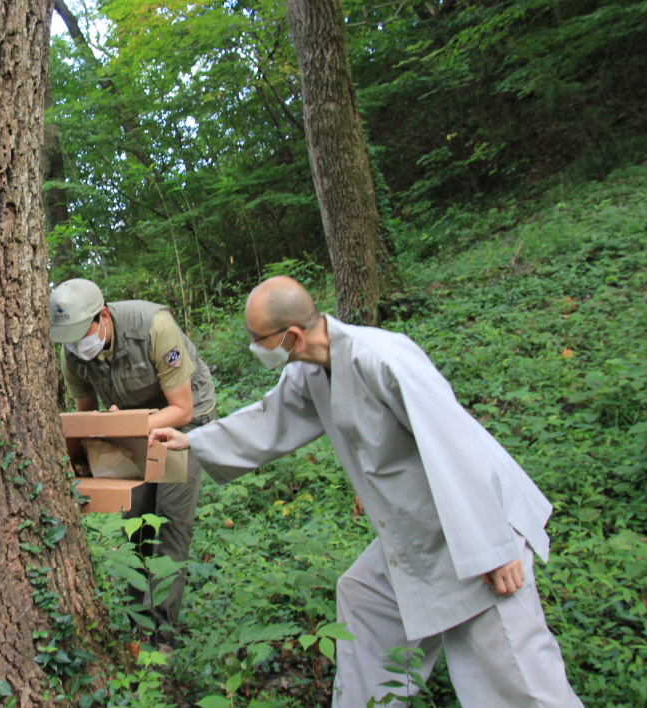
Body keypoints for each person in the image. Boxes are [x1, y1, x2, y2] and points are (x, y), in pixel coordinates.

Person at [149, 276, 582, 707]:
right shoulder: (309, 370)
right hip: (419, 527)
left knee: (516, 678)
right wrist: (195, 441)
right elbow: (270, 419)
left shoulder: (381, 358)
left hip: (477, 523)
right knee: (364, 596)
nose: (254, 347)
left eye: (258, 338)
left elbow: (454, 442)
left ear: (293, 335)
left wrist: (493, 547)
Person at [49, 278, 217, 652]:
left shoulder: (154, 326)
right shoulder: (73, 354)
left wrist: (125, 424)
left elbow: (182, 407)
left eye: (82, 334)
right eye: (69, 339)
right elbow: (86, 417)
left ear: (103, 316)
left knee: (170, 521)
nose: (78, 346)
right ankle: (137, 627)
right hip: (131, 425)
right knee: (137, 521)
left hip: (183, 421)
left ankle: (161, 636)